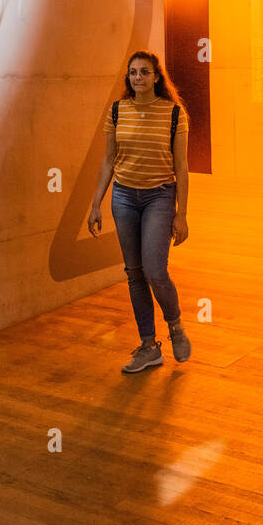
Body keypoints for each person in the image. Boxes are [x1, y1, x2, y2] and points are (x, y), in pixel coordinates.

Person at [88, 50, 191, 373]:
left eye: (144, 72)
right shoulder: (118, 111)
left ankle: (174, 325)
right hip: (123, 198)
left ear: (156, 77)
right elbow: (108, 162)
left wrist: (182, 213)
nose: (138, 78)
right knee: (134, 273)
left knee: (155, 271)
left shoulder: (174, 114)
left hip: (159, 197)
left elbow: (182, 167)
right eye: (133, 73)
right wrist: (95, 204)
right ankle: (149, 346)